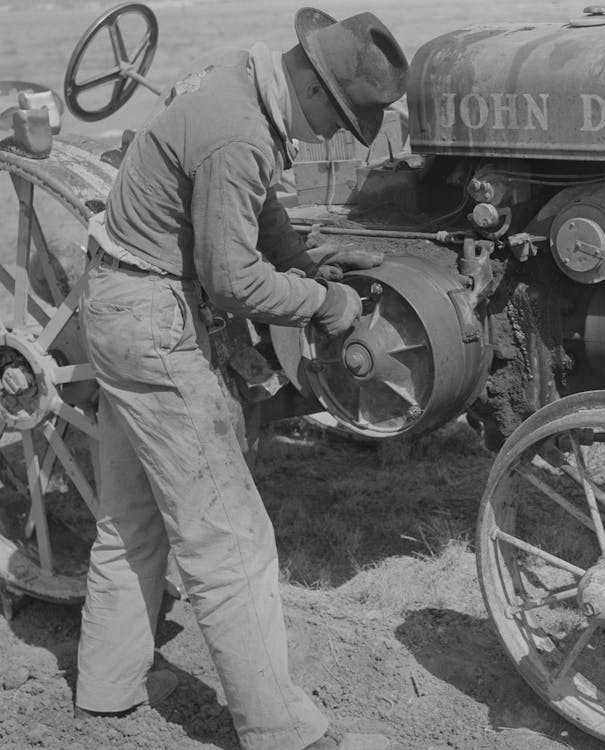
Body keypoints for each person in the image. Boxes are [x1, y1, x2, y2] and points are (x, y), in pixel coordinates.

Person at [73, 8, 408, 750]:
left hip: (116, 302)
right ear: (314, 91)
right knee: (231, 536)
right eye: (338, 121)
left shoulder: (233, 78)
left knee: (131, 515)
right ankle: (278, 728)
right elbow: (230, 280)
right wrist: (325, 303)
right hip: (155, 324)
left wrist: (303, 264)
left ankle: (106, 684)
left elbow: (259, 210)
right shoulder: (241, 134)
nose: (327, 137)